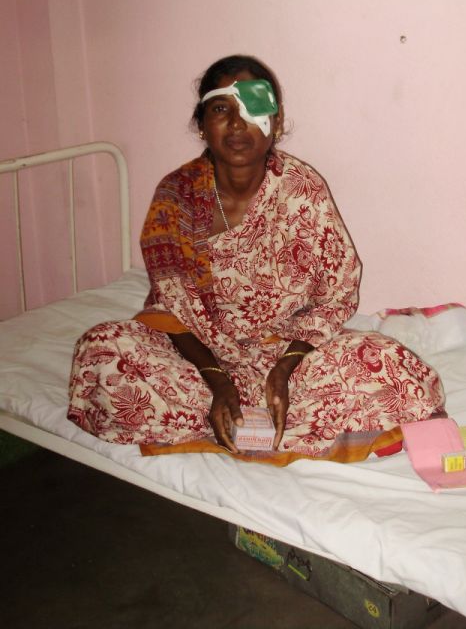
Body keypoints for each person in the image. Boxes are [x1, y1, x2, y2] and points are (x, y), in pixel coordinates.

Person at [68, 55, 445, 464]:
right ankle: (246, 417)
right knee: (102, 352)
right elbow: (169, 308)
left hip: (287, 356)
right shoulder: (175, 195)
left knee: (393, 368)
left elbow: (335, 294)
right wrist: (216, 382)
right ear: (201, 124)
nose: (236, 123)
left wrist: (284, 369)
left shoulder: (302, 188)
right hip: (196, 356)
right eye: (221, 109)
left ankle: (248, 418)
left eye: (252, 109)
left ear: (276, 124)